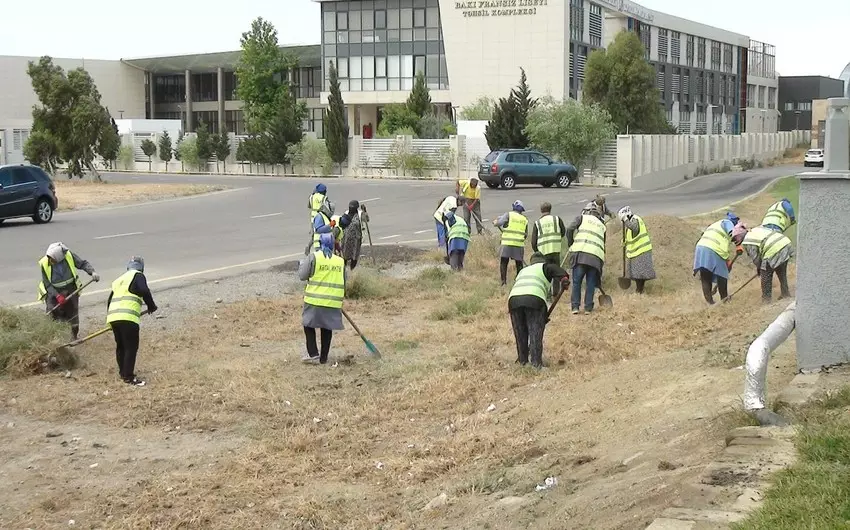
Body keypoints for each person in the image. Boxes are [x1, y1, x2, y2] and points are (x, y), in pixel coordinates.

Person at [508, 252, 570, 368]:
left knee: (520, 333)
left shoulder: (523, 270)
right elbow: (560, 272)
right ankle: (536, 364)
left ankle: (523, 361)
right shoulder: (545, 266)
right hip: (534, 299)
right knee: (535, 332)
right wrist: (564, 279)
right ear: (543, 260)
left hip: (514, 300)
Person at [106, 256, 157, 386]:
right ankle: (129, 377)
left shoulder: (119, 280)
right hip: (128, 317)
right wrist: (151, 306)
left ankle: (123, 372)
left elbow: (110, 299)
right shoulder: (138, 275)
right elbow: (144, 290)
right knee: (131, 347)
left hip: (113, 316)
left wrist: (110, 318)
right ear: (141, 268)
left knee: (121, 346)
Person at [298, 233, 347, 365]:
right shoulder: (339, 261)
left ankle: (313, 353)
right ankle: (323, 358)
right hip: (333, 301)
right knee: (327, 327)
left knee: (308, 325)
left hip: (314, 299)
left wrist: (302, 264)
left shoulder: (314, 257)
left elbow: (302, 275)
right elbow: (344, 281)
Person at [38, 242, 100, 340]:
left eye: (53, 260)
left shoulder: (69, 256)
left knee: (72, 313)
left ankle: (74, 336)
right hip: (53, 291)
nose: (51, 261)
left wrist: (92, 272)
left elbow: (83, 263)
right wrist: (57, 295)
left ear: (59, 258)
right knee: (52, 313)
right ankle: (53, 338)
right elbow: (47, 284)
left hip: (71, 288)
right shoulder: (44, 262)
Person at [566, 202, 607, 314]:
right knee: (591, 283)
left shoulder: (582, 218)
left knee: (577, 281)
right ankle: (588, 308)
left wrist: (571, 243)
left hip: (580, 253)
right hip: (595, 256)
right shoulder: (602, 226)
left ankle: (575, 307)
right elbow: (603, 244)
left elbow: (569, 229)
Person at [693, 217, 740, 304]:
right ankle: (724, 299)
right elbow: (732, 233)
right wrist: (738, 245)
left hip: (701, 248)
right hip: (713, 249)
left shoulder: (715, 225)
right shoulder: (728, 222)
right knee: (722, 275)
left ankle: (710, 303)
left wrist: (727, 260)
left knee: (705, 277)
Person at [742, 225, 794, 302]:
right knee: (781, 272)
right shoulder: (755, 230)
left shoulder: (747, 240)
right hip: (784, 243)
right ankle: (785, 293)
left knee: (765, 275)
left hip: (773, 248)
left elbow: (756, 258)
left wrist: (759, 268)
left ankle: (766, 300)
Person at [617, 206, 657, 294]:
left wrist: (625, 220)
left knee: (640, 274)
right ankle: (640, 290)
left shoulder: (635, 220)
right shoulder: (631, 221)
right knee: (637, 273)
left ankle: (639, 290)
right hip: (637, 252)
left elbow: (634, 228)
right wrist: (625, 242)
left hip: (642, 251)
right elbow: (632, 236)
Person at [531, 202, 567, 297]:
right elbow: (563, 232)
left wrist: (536, 251)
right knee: (556, 272)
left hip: (543, 252)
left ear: (541, 210)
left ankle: (547, 294)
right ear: (550, 209)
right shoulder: (557, 219)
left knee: (545, 274)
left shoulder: (537, 223)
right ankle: (556, 293)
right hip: (555, 249)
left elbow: (533, 241)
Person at [493, 200, 528, 286]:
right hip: (519, 244)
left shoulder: (508, 214)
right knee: (519, 264)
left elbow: (499, 223)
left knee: (504, 262)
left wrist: (495, 222)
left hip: (507, 243)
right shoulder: (524, 219)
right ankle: (519, 282)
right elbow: (525, 234)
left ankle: (503, 282)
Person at [341, 200, 369, 270]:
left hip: (356, 239)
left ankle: (352, 270)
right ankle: (343, 269)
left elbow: (367, 220)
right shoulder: (346, 213)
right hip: (346, 238)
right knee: (345, 254)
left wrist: (365, 211)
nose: (351, 208)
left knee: (354, 255)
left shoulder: (360, 214)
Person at [445, 207, 471, 271]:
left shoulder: (447, 220)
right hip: (465, 236)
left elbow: (448, 236)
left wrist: (448, 253)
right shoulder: (459, 218)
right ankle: (460, 271)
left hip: (456, 236)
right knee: (461, 254)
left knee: (454, 253)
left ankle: (455, 272)